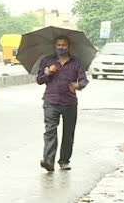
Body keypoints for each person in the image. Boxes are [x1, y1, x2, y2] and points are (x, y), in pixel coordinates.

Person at [37, 35, 89, 172]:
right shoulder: (47, 61)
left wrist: (78, 85)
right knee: (50, 131)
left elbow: (84, 80)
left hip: (70, 102)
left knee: (68, 132)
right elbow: (39, 79)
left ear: (69, 46)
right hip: (51, 101)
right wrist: (48, 72)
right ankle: (48, 161)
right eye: (59, 45)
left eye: (64, 45)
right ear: (55, 46)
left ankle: (64, 161)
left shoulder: (76, 62)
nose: (61, 47)